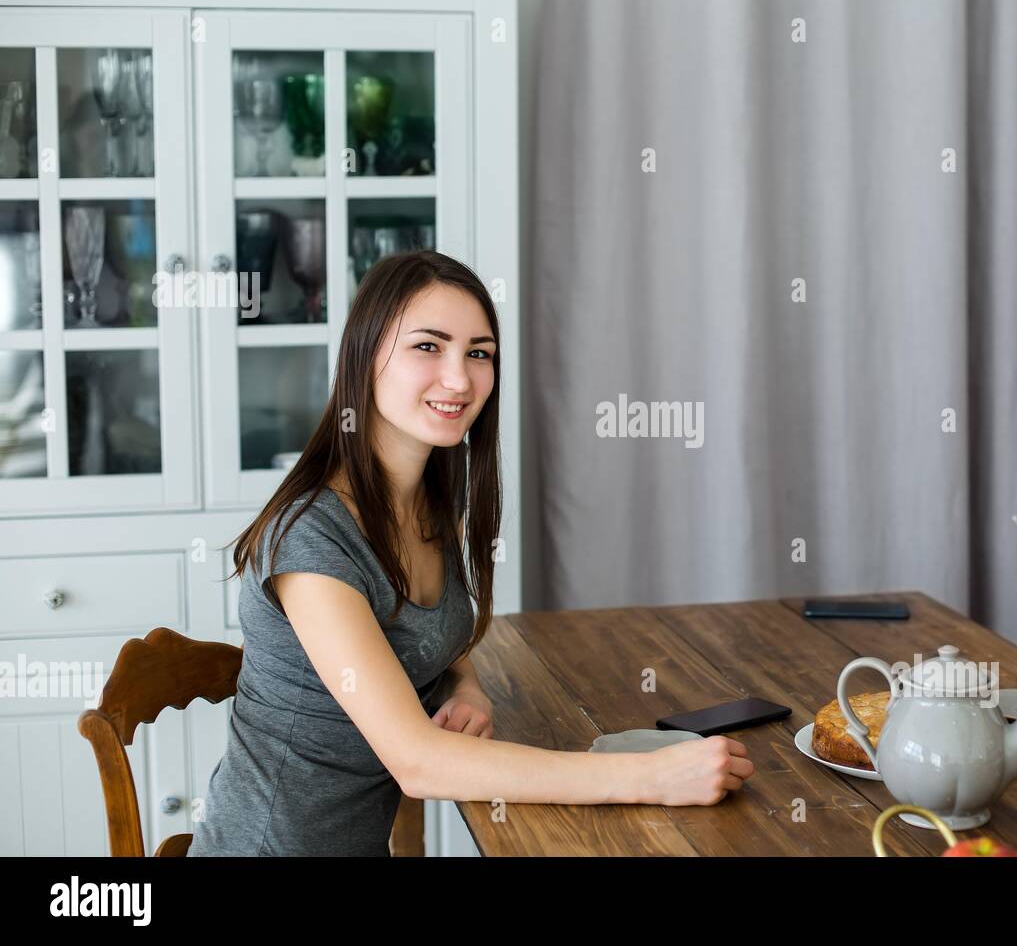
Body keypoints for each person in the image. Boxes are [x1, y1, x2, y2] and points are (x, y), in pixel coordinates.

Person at [188, 250, 753, 855]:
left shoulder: (429, 502)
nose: (459, 379)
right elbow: (418, 764)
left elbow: (425, 641)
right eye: (428, 347)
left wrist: (464, 688)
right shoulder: (309, 540)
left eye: (478, 353)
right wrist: (650, 777)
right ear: (365, 355)